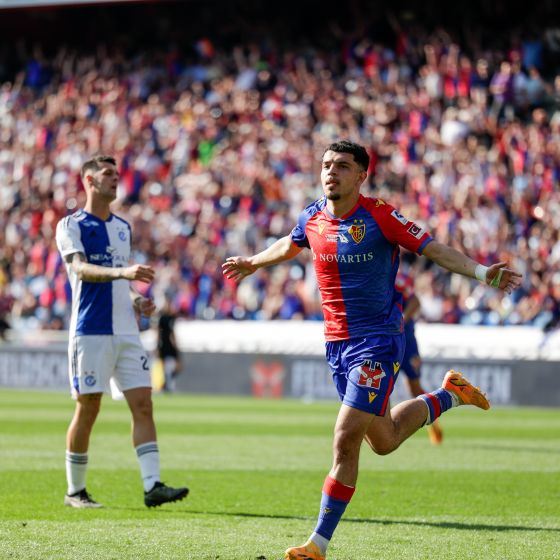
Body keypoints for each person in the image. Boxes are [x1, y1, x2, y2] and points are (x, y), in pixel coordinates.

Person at [222, 140, 522, 560]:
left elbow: (432, 249)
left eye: (342, 166)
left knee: (345, 438)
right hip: (337, 345)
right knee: (384, 440)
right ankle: (450, 394)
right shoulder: (312, 216)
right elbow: (290, 244)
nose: (331, 172)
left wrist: (480, 271)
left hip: (377, 342)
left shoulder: (380, 215)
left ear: (361, 175)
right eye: (327, 165)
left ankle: (318, 545)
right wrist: (254, 261)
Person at [55, 155, 189, 509]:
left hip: (126, 332)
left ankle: (152, 486)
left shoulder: (122, 227)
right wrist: (125, 275)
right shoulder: (71, 224)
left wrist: (135, 300)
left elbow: (116, 278)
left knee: (143, 405)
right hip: (91, 330)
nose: (116, 179)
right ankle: (75, 492)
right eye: (107, 174)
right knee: (89, 409)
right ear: (88, 180)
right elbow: (81, 270)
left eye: (117, 173)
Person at [395, 268, 443, 445]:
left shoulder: (397, 278)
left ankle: (433, 422)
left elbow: (415, 301)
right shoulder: (371, 275)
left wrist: (402, 319)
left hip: (406, 340)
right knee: (381, 386)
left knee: (414, 387)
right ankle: (380, 429)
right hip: (384, 340)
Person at [156, 298, 181, 392]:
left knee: (176, 366)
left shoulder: (172, 318)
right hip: (164, 344)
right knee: (164, 366)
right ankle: (167, 385)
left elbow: (173, 333)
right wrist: (157, 346)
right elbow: (158, 333)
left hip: (171, 345)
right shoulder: (161, 318)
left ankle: (168, 384)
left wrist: (176, 345)